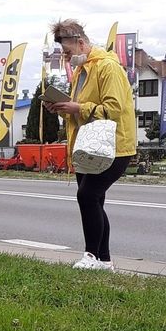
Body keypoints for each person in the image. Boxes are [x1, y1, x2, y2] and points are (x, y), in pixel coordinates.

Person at [45, 19, 137, 271]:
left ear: (81, 43)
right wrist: (62, 109)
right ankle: (104, 259)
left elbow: (114, 109)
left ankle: (91, 255)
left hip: (114, 146)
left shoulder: (108, 68)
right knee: (94, 200)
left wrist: (78, 108)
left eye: (67, 52)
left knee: (87, 196)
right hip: (88, 147)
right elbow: (80, 113)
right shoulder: (82, 72)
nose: (66, 58)